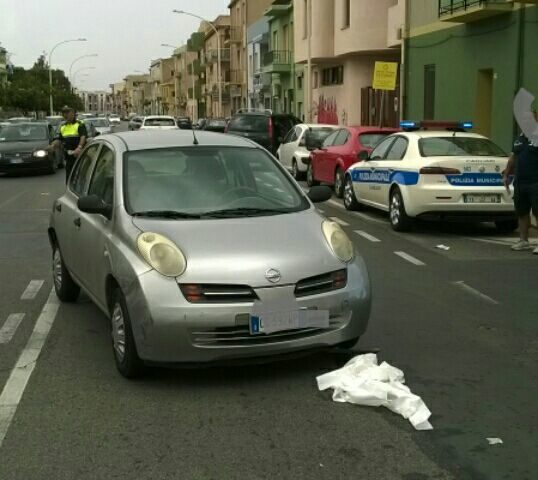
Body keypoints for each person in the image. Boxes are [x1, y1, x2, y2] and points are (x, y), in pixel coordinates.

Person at [503, 101, 538, 253]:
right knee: (522, 212)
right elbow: (513, 157)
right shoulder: (520, 138)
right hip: (521, 181)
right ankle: (523, 240)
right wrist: (506, 174)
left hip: (536, 182)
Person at [50, 106, 87, 182]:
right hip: (69, 156)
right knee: (69, 178)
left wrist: (79, 148)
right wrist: (52, 145)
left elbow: (83, 136)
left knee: (81, 177)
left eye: (67, 112)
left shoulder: (79, 124)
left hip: (79, 155)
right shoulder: (63, 126)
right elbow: (59, 139)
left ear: (73, 113)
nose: (65, 115)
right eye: (64, 113)